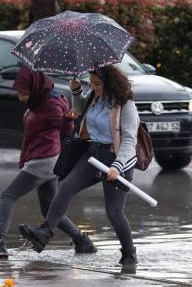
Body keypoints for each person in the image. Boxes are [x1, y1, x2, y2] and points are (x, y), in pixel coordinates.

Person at [18, 65, 140, 267]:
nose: (94, 87)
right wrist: (76, 91)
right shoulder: (94, 97)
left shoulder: (125, 105)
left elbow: (129, 140)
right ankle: (44, 233)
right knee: (66, 186)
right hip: (93, 154)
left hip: (116, 159)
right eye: (91, 83)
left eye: (98, 84)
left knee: (114, 212)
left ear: (111, 84)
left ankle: (129, 254)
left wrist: (118, 166)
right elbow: (78, 110)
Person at [0, 67, 96, 259]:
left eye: (23, 93)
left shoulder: (53, 104)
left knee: (8, 196)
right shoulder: (38, 101)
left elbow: (66, 131)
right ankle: (82, 241)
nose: (20, 97)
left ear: (35, 88)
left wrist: (67, 121)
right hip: (43, 160)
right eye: (19, 93)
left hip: (44, 160)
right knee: (48, 208)